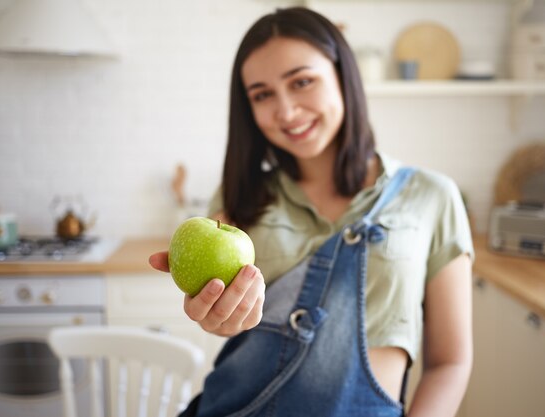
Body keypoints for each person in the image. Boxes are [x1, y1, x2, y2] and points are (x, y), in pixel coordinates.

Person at [149, 6, 474, 417]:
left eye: (301, 82)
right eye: (263, 95)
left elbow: (450, 362)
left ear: (343, 75)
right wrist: (219, 318)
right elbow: (224, 318)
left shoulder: (432, 196)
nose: (285, 111)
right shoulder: (239, 198)